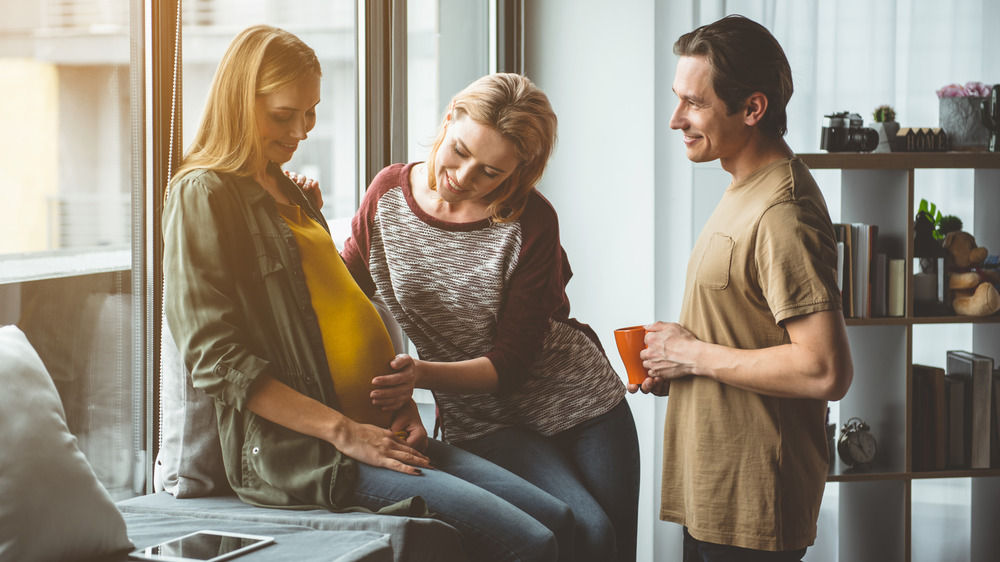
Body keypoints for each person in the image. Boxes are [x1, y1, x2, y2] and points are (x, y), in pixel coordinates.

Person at [162, 25, 575, 561]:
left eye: (310, 112)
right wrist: (344, 432)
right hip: (320, 452)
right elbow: (216, 360)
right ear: (240, 101)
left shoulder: (284, 185)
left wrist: (402, 405)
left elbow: (334, 305)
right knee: (534, 542)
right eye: (284, 115)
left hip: (383, 429)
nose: (302, 130)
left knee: (562, 520)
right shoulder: (204, 192)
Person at [340, 73, 640, 562]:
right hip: (482, 419)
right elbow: (342, 295)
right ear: (449, 117)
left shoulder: (531, 220)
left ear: (518, 173)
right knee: (584, 532)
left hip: (584, 404)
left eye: (490, 173)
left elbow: (511, 364)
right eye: (459, 151)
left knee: (607, 548)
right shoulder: (387, 197)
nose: (463, 176)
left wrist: (417, 376)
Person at [630, 15, 854, 562]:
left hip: (752, 504)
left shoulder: (784, 211)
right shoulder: (743, 186)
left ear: (752, 109)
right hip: (715, 493)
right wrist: (677, 363)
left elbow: (826, 370)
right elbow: (747, 328)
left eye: (694, 103)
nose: (675, 118)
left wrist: (694, 354)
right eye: (678, 98)